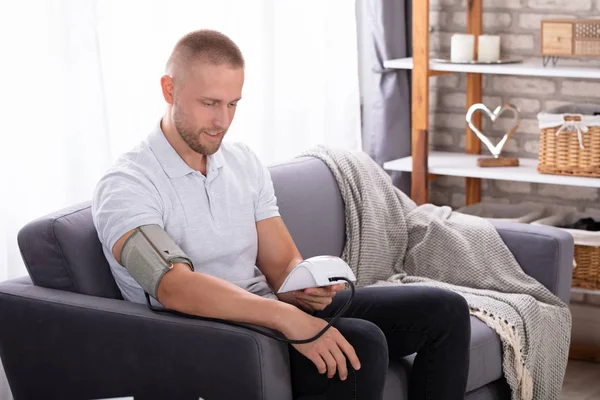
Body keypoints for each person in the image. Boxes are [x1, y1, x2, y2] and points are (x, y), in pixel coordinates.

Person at [92, 29, 471, 400]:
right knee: (363, 343)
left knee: (445, 310)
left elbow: (281, 264)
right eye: (209, 103)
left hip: (268, 309)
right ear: (169, 89)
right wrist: (287, 319)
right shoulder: (127, 184)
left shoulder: (242, 162)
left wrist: (304, 288)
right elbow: (174, 286)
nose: (223, 121)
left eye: (232, 104)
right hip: (207, 332)